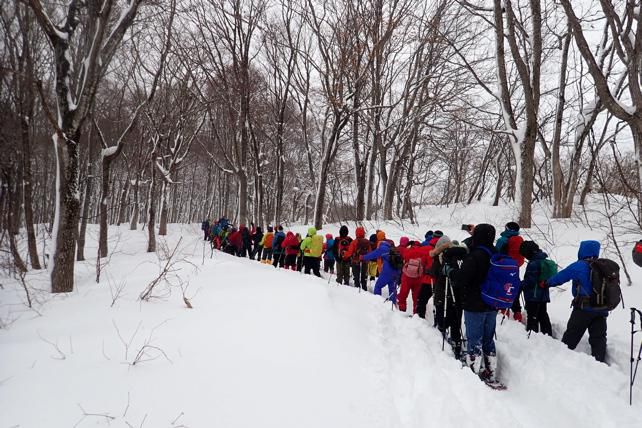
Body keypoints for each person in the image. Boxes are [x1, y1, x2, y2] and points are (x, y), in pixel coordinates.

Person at [450, 223, 499, 381]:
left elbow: (461, 279)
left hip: (475, 302)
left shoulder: (475, 256)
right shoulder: (496, 253)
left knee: (474, 339)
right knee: (488, 338)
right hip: (493, 303)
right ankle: (491, 371)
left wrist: (451, 272)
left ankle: (473, 371)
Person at [546, 240, 608, 362]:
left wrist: (547, 283)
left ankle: (561, 360)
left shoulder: (579, 266)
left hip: (583, 308)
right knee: (599, 338)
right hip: (602, 308)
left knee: (572, 335)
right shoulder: (604, 266)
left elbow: (561, 277)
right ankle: (599, 362)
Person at [433, 239, 468, 360]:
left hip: (443, 294)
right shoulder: (461, 257)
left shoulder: (443, 257)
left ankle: (441, 337)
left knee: (443, 318)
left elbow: (435, 273)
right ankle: (456, 343)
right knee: (456, 321)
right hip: (458, 295)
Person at [519, 241, 555, 336]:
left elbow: (531, 281)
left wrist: (520, 284)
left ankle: (532, 336)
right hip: (543, 295)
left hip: (533, 296)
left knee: (532, 316)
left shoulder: (534, 263)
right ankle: (547, 335)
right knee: (543, 315)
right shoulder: (542, 260)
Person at [496, 222, 525, 322]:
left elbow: (496, 253)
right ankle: (518, 314)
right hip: (515, 269)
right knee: (513, 290)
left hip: (503, 269)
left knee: (503, 291)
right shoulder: (520, 240)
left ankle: (503, 314)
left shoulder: (503, 240)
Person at [398, 239, 431, 314]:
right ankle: (416, 312)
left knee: (403, 293)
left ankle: (402, 309)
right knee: (416, 296)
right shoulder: (423, 251)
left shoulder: (407, 250)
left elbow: (404, 258)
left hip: (407, 276)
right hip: (418, 277)